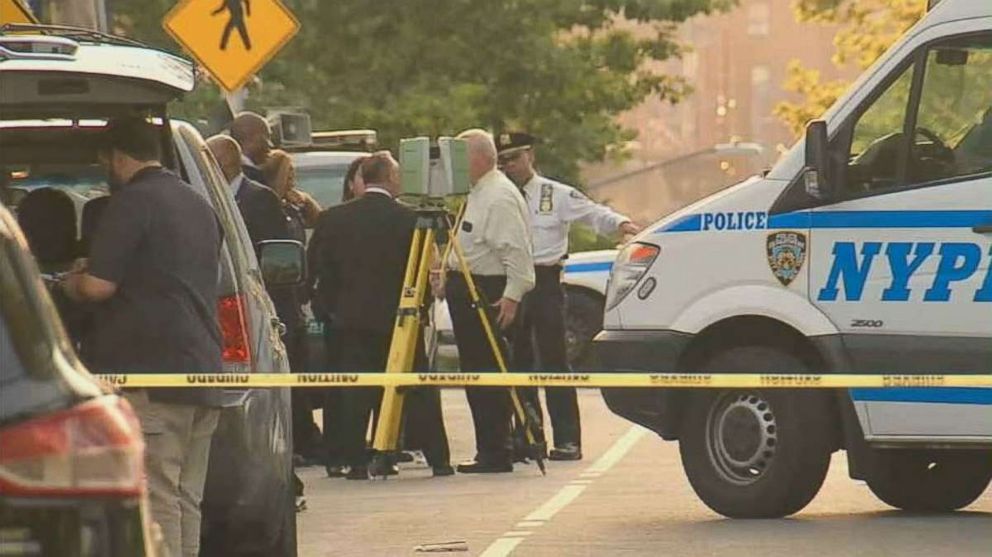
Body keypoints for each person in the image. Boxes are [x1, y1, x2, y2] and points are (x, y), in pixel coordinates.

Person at [61, 117, 223, 557]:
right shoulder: (198, 203)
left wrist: (67, 282)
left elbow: (98, 287)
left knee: (157, 498)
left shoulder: (131, 204)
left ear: (116, 156)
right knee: (187, 496)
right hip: (203, 371)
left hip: (152, 377)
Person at [497, 131, 641, 462]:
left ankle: (567, 440)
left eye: (515, 158)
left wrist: (622, 225)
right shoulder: (497, 195)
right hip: (508, 283)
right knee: (515, 362)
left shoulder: (554, 193)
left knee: (554, 362)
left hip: (544, 282)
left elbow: (593, 214)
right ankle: (526, 438)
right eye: (503, 161)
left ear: (530, 155)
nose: (510, 166)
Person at [309, 151, 452, 479]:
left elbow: (316, 269)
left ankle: (353, 460)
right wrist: (422, 307)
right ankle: (438, 458)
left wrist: (328, 309)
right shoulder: (409, 219)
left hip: (350, 321)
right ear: (391, 179)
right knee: (417, 388)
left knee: (354, 392)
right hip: (400, 319)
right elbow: (423, 271)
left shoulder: (333, 218)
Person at [442, 129, 535, 474]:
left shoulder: (498, 197)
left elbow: (518, 256)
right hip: (468, 289)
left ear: (479, 158)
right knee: (476, 373)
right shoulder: (479, 193)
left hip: (489, 294)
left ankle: (496, 450)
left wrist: (510, 299)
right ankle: (491, 447)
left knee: (488, 375)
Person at [309, 154, 368, 477]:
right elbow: (316, 263)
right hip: (338, 317)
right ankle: (338, 451)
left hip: (362, 316)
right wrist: (322, 305)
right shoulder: (332, 219)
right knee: (339, 386)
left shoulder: (397, 216)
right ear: (350, 182)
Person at [229, 111, 272, 184]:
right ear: (250, 137)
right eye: (265, 138)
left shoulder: (224, 171)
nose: (270, 145)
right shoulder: (251, 178)